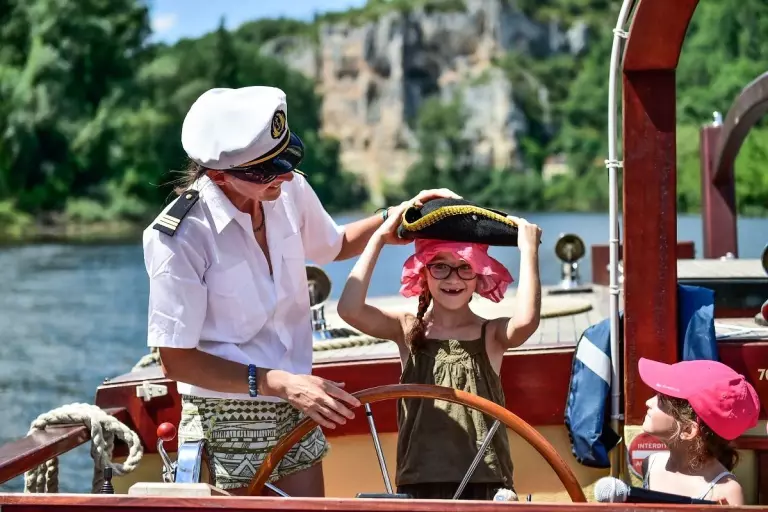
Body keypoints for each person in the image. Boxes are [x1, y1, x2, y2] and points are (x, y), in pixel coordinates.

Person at [142, 85, 460, 496]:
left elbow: (334, 244)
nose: (287, 175)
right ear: (219, 175)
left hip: (296, 399)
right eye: (268, 170)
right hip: (224, 417)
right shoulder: (180, 237)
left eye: (286, 160)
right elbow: (176, 360)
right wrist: (278, 383)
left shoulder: (288, 189)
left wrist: (396, 218)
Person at [336, 199, 542, 500]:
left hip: (486, 481)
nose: (453, 278)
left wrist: (529, 251)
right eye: (440, 266)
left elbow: (525, 322)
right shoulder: (408, 329)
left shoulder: (490, 335)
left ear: (480, 276)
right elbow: (349, 309)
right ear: (423, 273)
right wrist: (378, 238)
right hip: (417, 482)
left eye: (465, 267)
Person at [638, 357, 761, 505]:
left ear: (688, 430)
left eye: (662, 400)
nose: (648, 402)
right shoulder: (650, 464)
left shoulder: (725, 491)